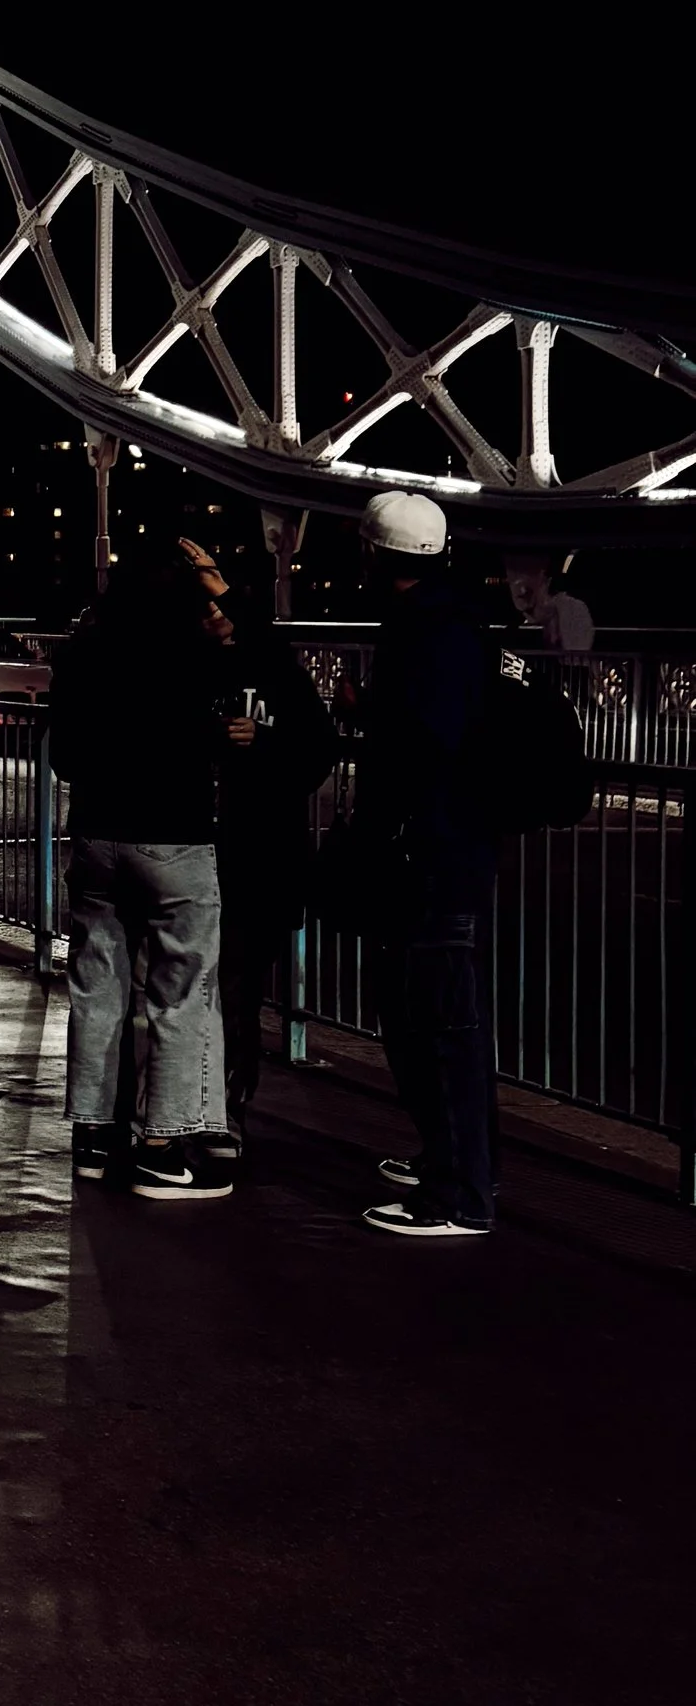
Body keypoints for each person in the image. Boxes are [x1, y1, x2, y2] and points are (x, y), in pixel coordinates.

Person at [47, 551, 234, 1197]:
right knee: (180, 992)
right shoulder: (194, 654)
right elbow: (239, 659)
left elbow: (65, 757)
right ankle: (161, 1143)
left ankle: (93, 1137)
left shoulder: (81, 653)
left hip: (99, 837)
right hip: (176, 839)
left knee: (96, 990)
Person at [352, 489, 498, 1238]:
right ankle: (458, 1160)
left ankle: (458, 1194)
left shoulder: (423, 634)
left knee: (437, 1022)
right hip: (461, 846)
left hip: (431, 852)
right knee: (449, 1018)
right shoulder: (466, 621)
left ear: (378, 555)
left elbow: (424, 745)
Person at [179, 535, 336, 1117]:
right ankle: (199, 1104)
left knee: (240, 988)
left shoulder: (277, 672)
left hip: (260, 856)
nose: (214, 615)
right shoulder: (187, 671)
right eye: (204, 607)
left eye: (222, 605)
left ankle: (228, 1106)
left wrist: (263, 742)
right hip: (199, 853)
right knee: (202, 985)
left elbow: (317, 752)